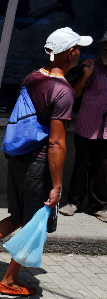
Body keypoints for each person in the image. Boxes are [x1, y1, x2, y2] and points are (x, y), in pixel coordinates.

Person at [0, 28, 90, 295]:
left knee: (18, 216)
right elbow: (56, 143)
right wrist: (56, 186)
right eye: (77, 47)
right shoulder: (61, 91)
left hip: (20, 160)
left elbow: (50, 104)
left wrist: (82, 79)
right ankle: (8, 281)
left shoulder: (33, 77)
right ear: (68, 53)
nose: (80, 51)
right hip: (39, 165)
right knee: (35, 224)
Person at [59, 31, 107, 222]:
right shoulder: (91, 66)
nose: (105, 48)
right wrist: (86, 76)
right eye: (104, 44)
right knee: (81, 165)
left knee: (103, 168)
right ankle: (74, 202)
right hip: (88, 124)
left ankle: (98, 205)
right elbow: (74, 93)